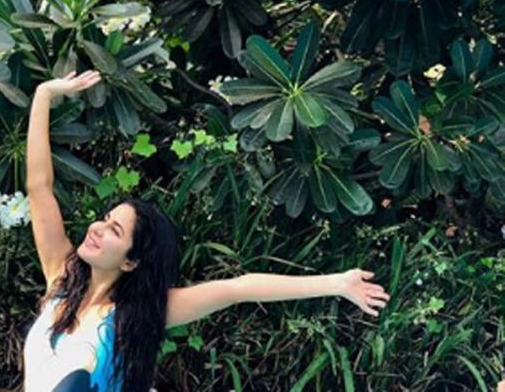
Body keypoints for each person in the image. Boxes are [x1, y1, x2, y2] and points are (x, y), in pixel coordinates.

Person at [24, 69, 391, 392]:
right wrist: (44, 94)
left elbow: (239, 288)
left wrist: (337, 283)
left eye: (114, 231)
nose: (97, 229)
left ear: (131, 262)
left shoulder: (138, 314)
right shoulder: (61, 280)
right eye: (105, 219)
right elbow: (39, 187)